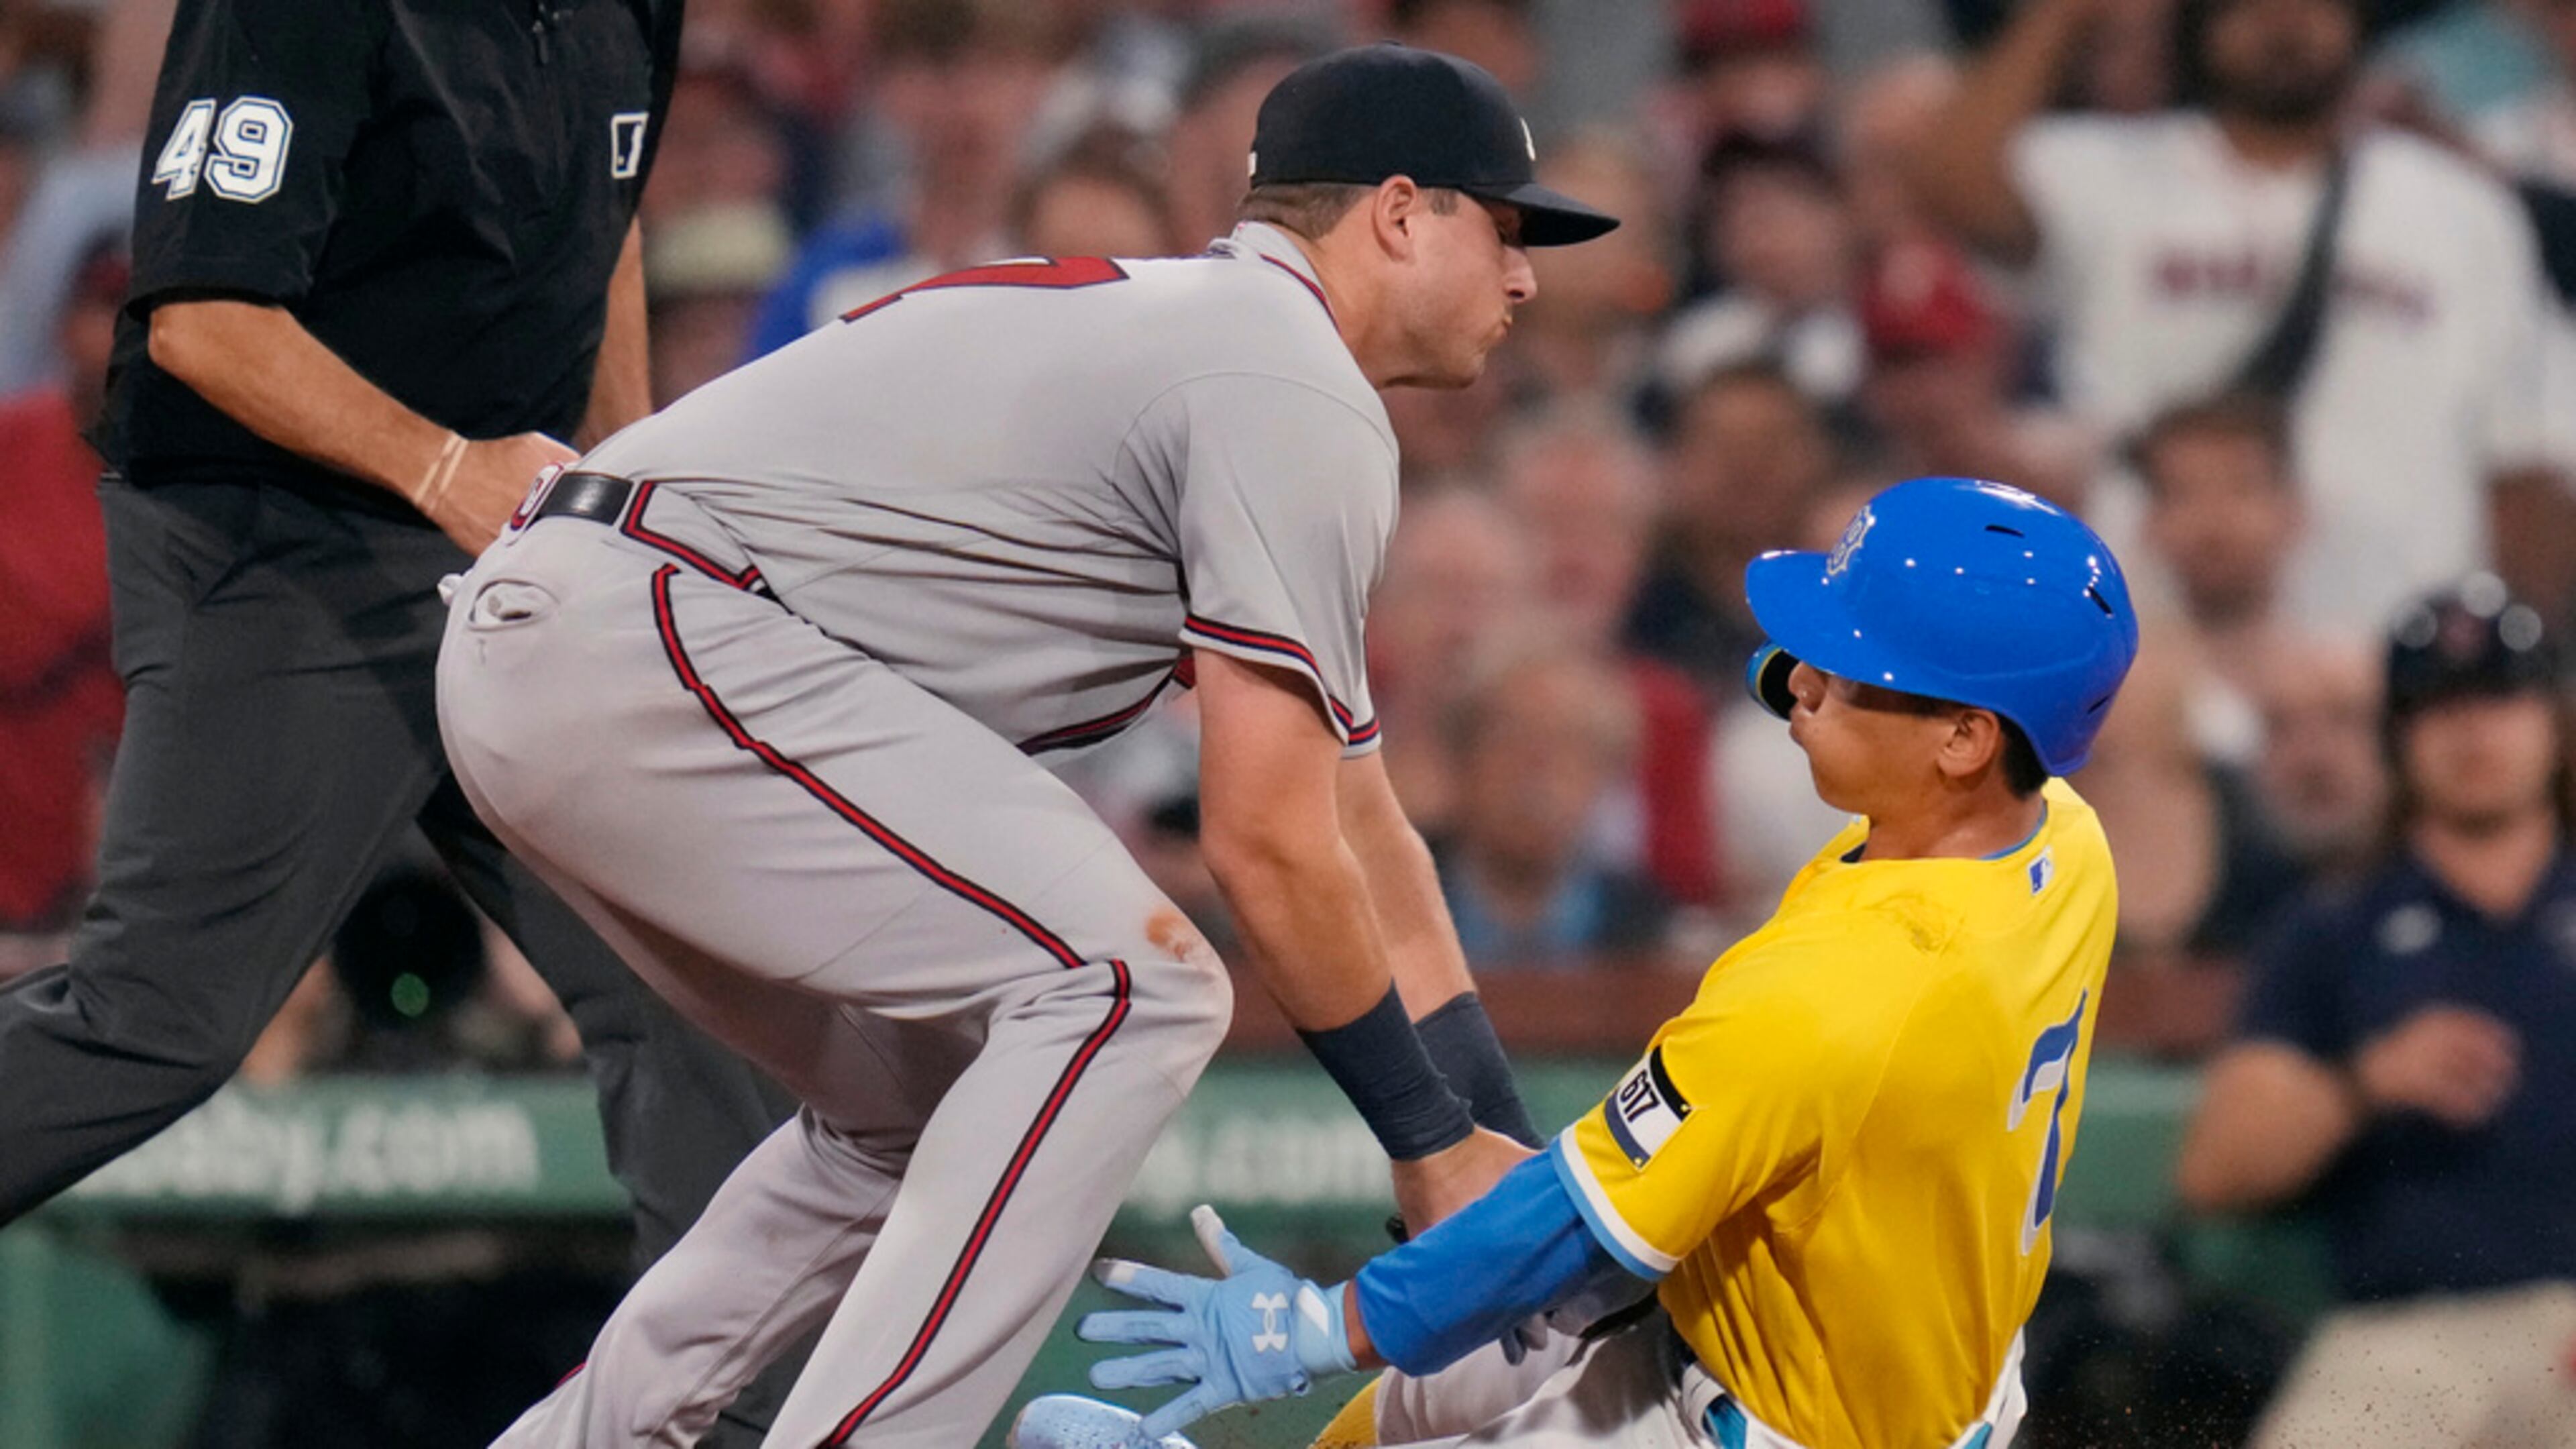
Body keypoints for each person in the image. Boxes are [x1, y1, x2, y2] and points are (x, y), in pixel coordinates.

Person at [435, 44, 1619, 1448]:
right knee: (1134, 986)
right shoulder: (1289, 385)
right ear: (1403, 212)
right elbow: (1269, 848)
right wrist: (1427, 1146)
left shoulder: (1226, 348)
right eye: (1507, 226)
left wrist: (1481, 1146)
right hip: (648, 641)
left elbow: (1366, 837)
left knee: (913, 1105)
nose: (1528, 276)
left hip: (593, 648)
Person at [0, 0, 808, 1442]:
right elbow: (201, 321)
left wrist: (621, 483)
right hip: (280, 546)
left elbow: (601, 227)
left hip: (508, 534)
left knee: (703, 985)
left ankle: (722, 1424)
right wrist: (446, 471)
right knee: (157, 1020)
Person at [1018, 474, 2140, 1449]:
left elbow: (1569, 1223)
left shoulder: (1834, 994)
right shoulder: (2063, 839)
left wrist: (1319, 1328)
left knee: (1483, 1289)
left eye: (1847, 670)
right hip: (1839, 1347)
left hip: (1764, 1425)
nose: (1799, 678)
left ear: (1964, 741)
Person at [1915, 0, 2576, 631]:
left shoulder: (2461, 209)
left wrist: (2527, 644)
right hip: (2158, 638)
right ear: (2201, 23)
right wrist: (2064, 14)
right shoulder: (2108, 173)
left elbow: (2521, 455)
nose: (2285, 23)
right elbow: (1950, 183)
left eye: (2315, 5)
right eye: (2251, 6)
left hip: (2392, 637)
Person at [2176, 576, 2576, 1448]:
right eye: (2438, 706)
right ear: (2399, 737)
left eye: (2500, 699)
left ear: (2551, 719)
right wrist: (2365, 1082)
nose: (2473, 730)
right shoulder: (2331, 930)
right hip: (2406, 1340)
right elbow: (2214, 1171)